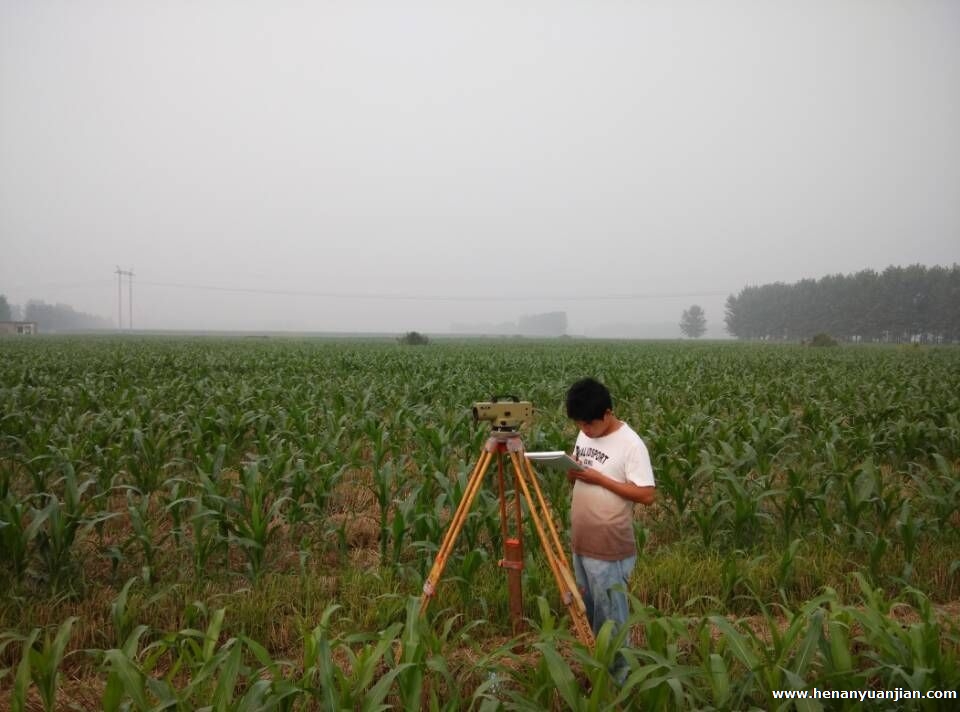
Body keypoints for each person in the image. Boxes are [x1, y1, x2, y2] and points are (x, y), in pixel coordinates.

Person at [565, 377, 656, 679]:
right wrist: (571, 472)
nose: (584, 431)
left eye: (588, 424)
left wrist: (600, 479)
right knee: (590, 615)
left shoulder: (631, 444)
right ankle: (597, 674)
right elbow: (581, 470)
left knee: (612, 622)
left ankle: (621, 684)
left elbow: (647, 494)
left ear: (607, 414)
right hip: (582, 542)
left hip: (609, 548)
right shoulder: (585, 434)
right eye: (579, 425)